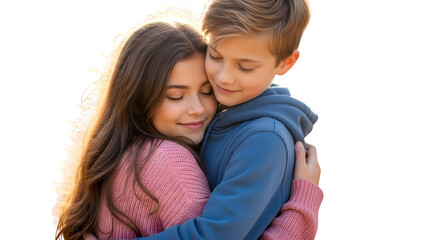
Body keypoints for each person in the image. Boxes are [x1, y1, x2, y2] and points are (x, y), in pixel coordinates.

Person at [56, 17, 321, 240]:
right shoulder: (168, 160)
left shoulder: (121, 154)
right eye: (175, 96)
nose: (197, 108)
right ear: (138, 100)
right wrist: (301, 208)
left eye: (207, 92)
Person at [126, 0, 321, 239]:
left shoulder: (264, 140)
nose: (224, 78)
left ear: (285, 63)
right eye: (216, 56)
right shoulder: (222, 113)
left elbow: (213, 235)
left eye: (245, 67)